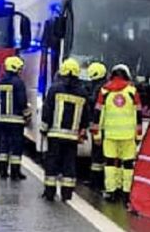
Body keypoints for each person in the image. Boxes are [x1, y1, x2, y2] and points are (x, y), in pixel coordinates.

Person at [39, 58, 91, 202]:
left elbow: (47, 110)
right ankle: (67, 194)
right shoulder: (82, 93)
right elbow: (86, 116)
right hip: (72, 137)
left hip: (55, 135)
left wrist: (44, 128)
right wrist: (82, 131)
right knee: (69, 164)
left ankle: (49, 193)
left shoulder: (54, 89)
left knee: (52, 163)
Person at [91, 64, 142, 208]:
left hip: (110, 135)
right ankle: (125, 193)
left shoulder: (105, 91)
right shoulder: (132, 91)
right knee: (127, 164)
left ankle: (111, 191)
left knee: (110, 163)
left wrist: (96, 135)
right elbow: (138, 115)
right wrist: (138, 136)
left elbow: (98, 114)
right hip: (128, 136)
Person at [0, 55, 30, 180]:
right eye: (20, 68)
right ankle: (15, 172)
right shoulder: (19, 82)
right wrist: (27, 114)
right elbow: (22, 101)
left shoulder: (1, 82)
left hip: (4, 119)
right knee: (16, 146)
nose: (21, 71)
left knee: (4, 145)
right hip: (16, 120)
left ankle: (2, 171)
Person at [86, 61, 108, 192]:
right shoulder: (104, 86)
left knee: (97, 156)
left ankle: (95, 182)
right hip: (104, 125)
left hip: (99, 125)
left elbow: (94, 102)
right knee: (98, 155)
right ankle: (96, 181)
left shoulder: (99, 88)